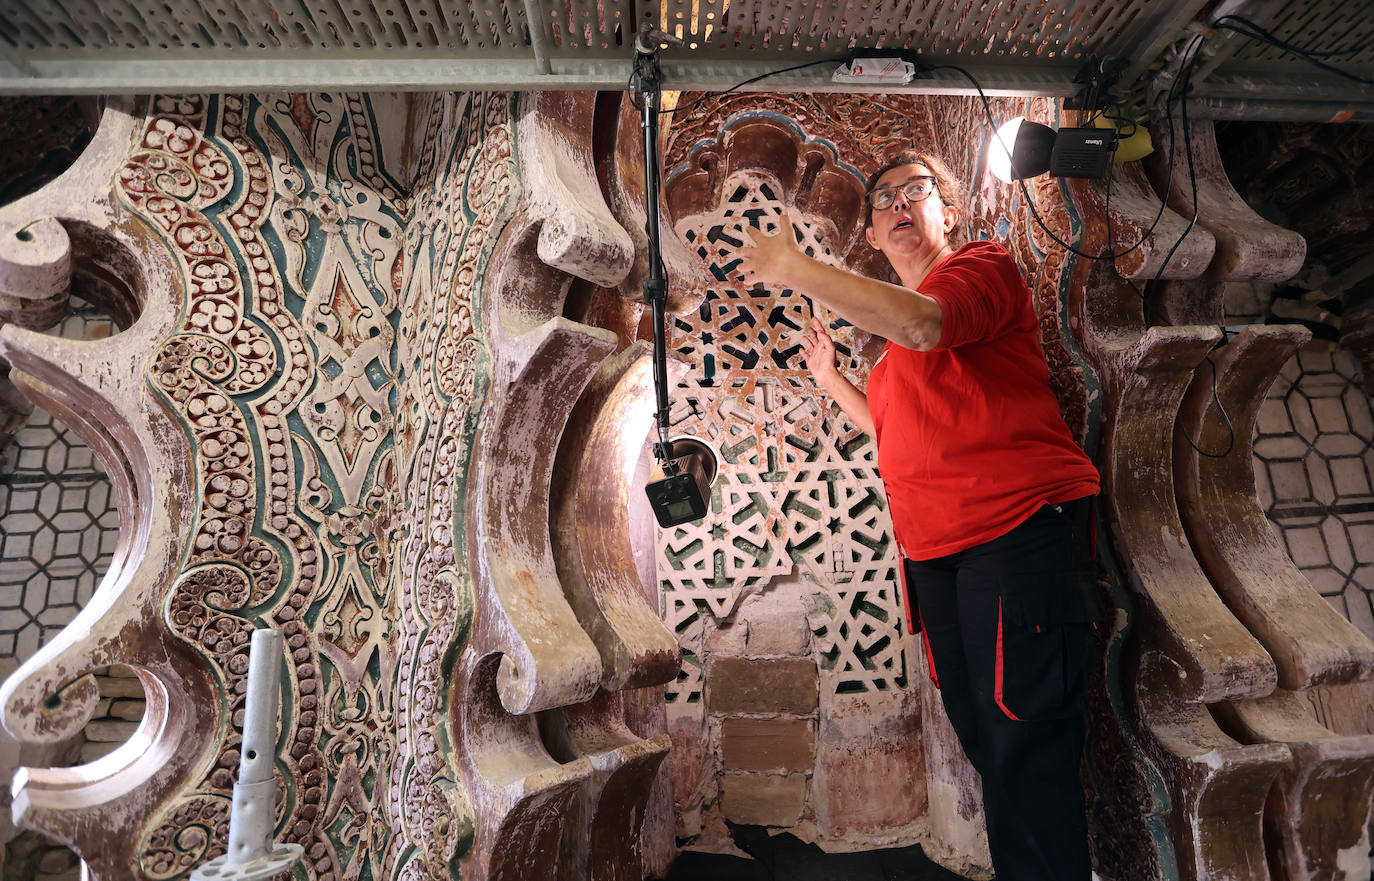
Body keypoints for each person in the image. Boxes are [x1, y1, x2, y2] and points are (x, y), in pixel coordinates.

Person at [732, 149, 1101, 881]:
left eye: (917, 191)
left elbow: (928, 325)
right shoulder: (892, 357)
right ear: (869, 231)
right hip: (938, 558)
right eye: (885, 198)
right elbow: (889, 430)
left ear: (949, 213)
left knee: (1024, 748)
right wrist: (831, 379)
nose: (900, 204)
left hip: (1012, 537)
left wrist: (797, 268)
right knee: (987, 742)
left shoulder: (979, 270)